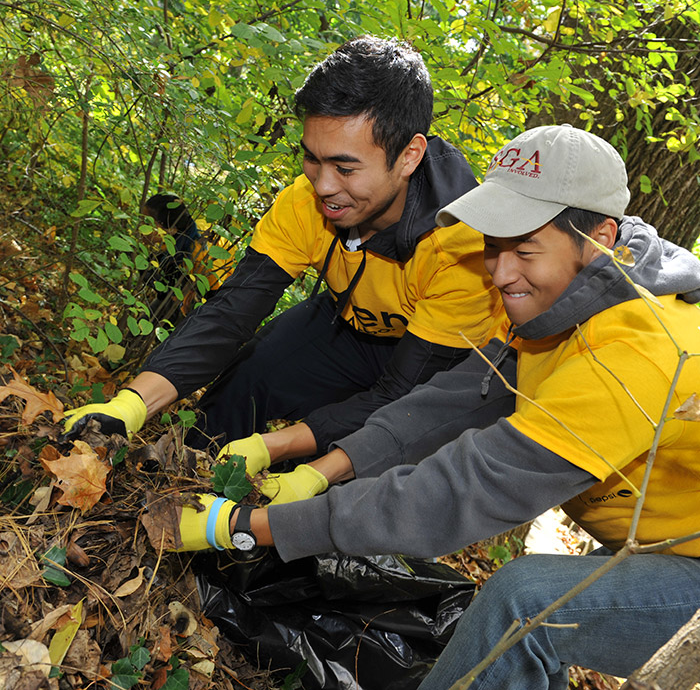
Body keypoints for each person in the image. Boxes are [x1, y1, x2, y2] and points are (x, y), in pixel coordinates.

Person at [170, 124, 700, 688]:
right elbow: (453, 403)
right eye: (494, 248)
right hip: (660, 545)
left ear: (600, 236)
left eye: (524, 250)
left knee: (523, 609)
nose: (500, 274)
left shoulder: (632, 352)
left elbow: (462, 490)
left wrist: (247, 526)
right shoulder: (571, 299)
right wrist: (320, 466)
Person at [63, 37, 507, 493]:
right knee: (248, 376)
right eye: (312, 159)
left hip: (434, 365)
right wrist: (130, 405)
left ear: (409, 155)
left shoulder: (464, 247)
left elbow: (402, 396)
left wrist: (273, 447)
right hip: (348, 326)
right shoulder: (304, 203)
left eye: (345, 168)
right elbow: (229, 313)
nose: (324, 186)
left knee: (355, 469)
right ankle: (181, 495)